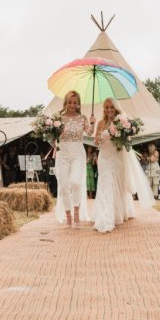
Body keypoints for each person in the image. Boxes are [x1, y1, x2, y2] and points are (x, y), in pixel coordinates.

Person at [93, 98, 155, 233]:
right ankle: (105, 216)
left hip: (117, 157)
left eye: (111, 107)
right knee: (106, 184)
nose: (109, 110)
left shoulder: (121, 122)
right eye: (106, 107)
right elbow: (96, 142)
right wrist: (97, 139)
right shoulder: (100, 123)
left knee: (118, 184)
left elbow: (126, 140)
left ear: (116, 108)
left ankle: (117, 213)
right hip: (104, 158)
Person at [54, 90, 95, 227]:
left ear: (78, 104)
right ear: (66, 102)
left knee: (75, 182)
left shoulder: (82, 117)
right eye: (69, 102)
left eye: (75, 103)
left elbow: (90, 133)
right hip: (63, 154)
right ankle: (68, 217)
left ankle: (77, 214)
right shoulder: (58, 119)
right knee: (64, 186)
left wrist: (93, 123)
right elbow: (52, 137)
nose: (72, 105)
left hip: (78, 153)